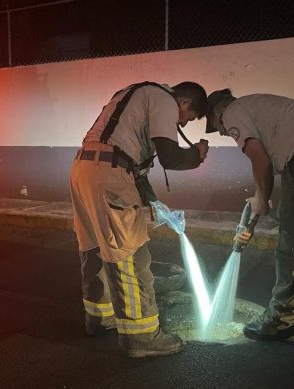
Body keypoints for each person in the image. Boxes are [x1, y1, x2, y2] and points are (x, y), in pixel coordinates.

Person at [70, 81, 209, 357]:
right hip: (110, 175)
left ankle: (99, 317)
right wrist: (197, 154)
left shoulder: (133, 94)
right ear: (184, 103)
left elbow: (133, 161)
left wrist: (155, 202)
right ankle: (142, 336)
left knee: (96, 248)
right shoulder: (164, 101)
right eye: (188, 118)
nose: (183, 122)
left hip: (84, 170)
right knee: (130, 256)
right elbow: (170, 157)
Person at [205, 89, 294, 341]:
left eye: (217, 127)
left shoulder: (232, 112)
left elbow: (259, 160)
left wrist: (262, 197)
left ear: (218, 113)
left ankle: (281, 321)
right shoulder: (256, 106)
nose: (222, 132)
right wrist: (260, 194)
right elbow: (267, 164)